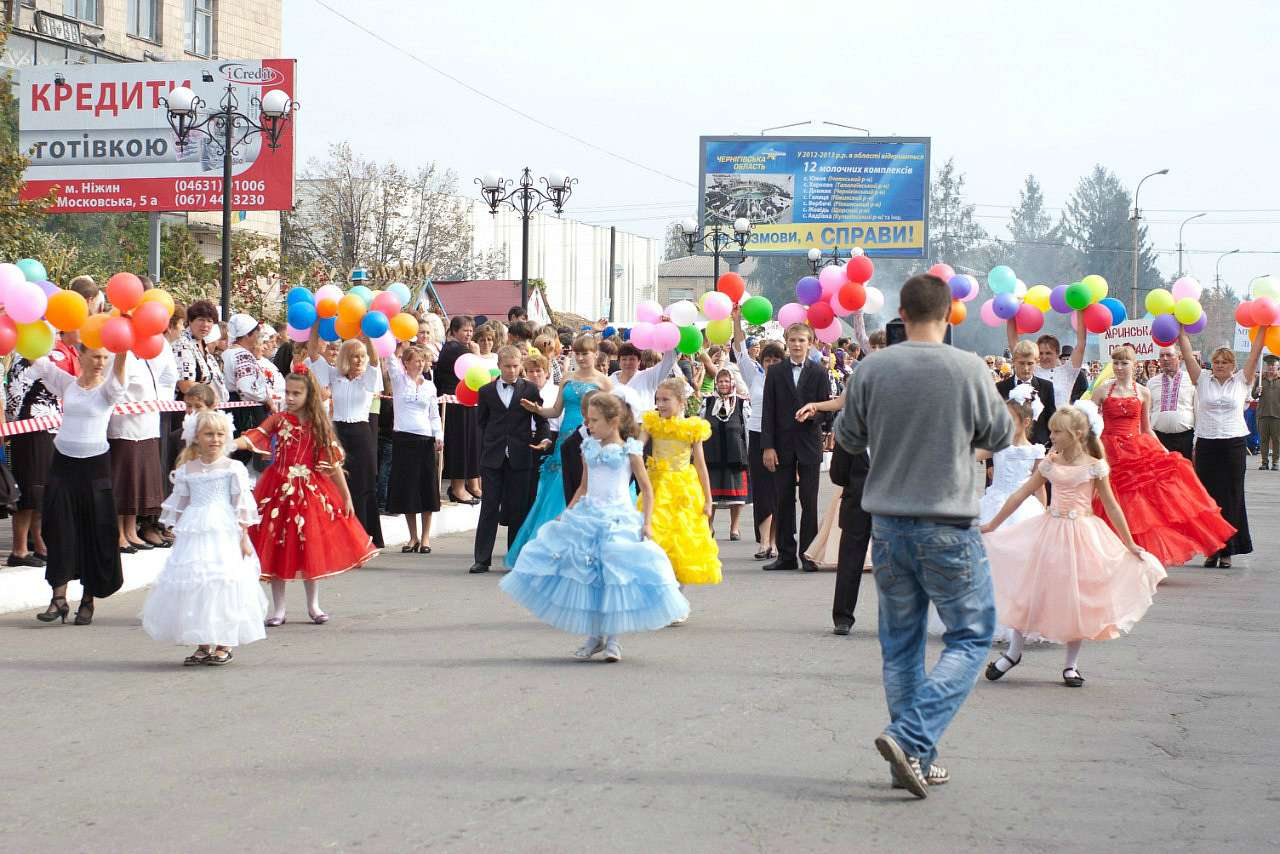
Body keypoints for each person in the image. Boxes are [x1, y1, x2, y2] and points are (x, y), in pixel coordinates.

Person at [836, 273, 1012, 799]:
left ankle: (912, 761)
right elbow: (1001, 433)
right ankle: (910, 737)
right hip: (947, 523)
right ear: (948, 313)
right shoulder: (968, 368)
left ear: (902, 314)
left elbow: (847, 437)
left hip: (888, 524)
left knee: (901, 645)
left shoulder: (871, 368)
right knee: (972, 635)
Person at [981, 403, 1166, 687]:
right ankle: (1013, 653)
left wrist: (1129, 543)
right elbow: (1020, 494)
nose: (1051, 436)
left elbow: (1111, 505)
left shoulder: (1094, 466)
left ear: (1077, 434)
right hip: (1049, 531)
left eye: (1057, 432)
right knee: (1030, 590)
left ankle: (1071, 665)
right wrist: (993, 524)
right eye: (1051, 431)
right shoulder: (1050, 463)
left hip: (1081, 534)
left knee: (1076, 597)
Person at [499, 393, 689, 663]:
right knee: (588, 577)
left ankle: (613, 640)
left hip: (618, 519)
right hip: (589, 516)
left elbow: (647, 490)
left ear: (613, 422)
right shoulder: (588, 447)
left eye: (595, 421)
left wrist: (646, 522)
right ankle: (594, 636)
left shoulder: (630, 451)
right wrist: (567, 512)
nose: (589, 425)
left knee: (614, 577)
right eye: (588, 420)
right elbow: (584, 487)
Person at [235, 367, 376, 625]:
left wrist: (346, 496)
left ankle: (314, 605)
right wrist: (230, 443)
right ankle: (279, 609)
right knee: (277, 546)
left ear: (308, 395)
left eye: (296, 393)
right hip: (277, 490)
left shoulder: (319, 425)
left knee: (310, 546)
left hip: (310, 492)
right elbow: (257, 435)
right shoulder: (278, 419)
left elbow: (333, 465)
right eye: (287, 392)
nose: (289, 398)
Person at [141, 410, 268, 666]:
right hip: (195, 531)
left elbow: (241, 504)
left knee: (222, 583)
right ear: (196, 437)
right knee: (196, 585)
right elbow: (180, 504)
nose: (215, 439)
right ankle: (202, 641)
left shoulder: (233, 468)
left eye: (220, 434)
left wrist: (244, 537)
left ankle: (224, 641)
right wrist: (177, 532)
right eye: (209, 434)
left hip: (224, 531)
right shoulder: (187, 470)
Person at [1093, 346, 1233, 566]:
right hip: (1108, 449)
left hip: (1135, 448)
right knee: (1110, 498)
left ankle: (1139, 556)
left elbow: (1146, 428)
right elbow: (1090, 423)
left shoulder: (1143, 392)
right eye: (1116, 363)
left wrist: (1163, 451)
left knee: (1138, 504)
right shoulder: (1102, 390)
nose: (1119, 367)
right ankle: (1111, 553)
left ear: (1134, 365)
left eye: (1124, 363)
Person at [33, 346, 129, 626]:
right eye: (95, 356)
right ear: (80, 356)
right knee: (59, 527)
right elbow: (40, 362)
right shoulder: (68, 384)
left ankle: (88, 599)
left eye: (105, 357)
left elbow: (118, 378)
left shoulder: (107, 389)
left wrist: (122, 352)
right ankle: (58, 598)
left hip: (95, 466)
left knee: (95, 530)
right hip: (63, 464)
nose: (100, 362)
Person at [507, 335, 611, 566]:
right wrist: (537, 409)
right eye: (578, 353)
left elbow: (612, 413)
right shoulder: (567, 378)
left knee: (583, 486)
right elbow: (555, 411)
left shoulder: (604, 382)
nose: (581, 358)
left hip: (591, 437)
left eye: (586, 353)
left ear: (595, 354)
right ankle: (544, 552)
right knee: (555, 491)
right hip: (565, 439)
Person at [1178, 328, 1266, 567]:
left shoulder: (1242, 380)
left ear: (1232, 365)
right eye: (1216, 362)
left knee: (1231, 496)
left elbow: (1255, 352)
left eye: (1224, 362)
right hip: (1207, 444)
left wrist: (1263, 328)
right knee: (1208, 498)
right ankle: (1211, 549)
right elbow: (1187, 353)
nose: (1219, 365)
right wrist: (1181, 330)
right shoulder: (1202, 379)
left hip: (1233, 444)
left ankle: (1228, 550)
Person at [641, 379, 720, 620]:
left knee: (681, 544)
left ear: (681, 402)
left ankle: (676, 599)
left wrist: (708, 500)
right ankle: (661, 596)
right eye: (658, 400)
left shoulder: (691, 428)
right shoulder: (651, 423)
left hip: (684, 491)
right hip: (656, 489)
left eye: (666, 400)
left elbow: (701, 466)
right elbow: (635, 449)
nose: (660, 404)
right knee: (656, 541)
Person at [797, 391, 873, 635]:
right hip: (858, 504)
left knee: (889, 565)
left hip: (886, 506)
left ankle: (891, 619)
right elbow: (838, 473)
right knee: (851, 562)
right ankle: (843, 617)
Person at [469, 346, 549, 574]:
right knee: (489, 507)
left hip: (520, 455)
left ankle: (514, 558)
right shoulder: (486, 391)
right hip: (493, 457)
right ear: (499, 367)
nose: (512, 371)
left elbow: (541, 419)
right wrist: (488, 446)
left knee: (518, 509)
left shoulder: (530, 389)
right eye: (507, 366)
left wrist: (544, 439)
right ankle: (482, 559)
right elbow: (482, 422)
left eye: (515, 366)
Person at [761, 322, 830, 572]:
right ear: (786, 342)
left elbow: (827, 411)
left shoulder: (820, 372)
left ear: (810, 343)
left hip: (809, 444)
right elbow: (768, 411)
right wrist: (768, 446)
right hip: (782, 445)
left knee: (809, 501)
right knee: (783, 500)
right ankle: (786, 555)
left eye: (802, 340)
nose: (797, 344)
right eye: (793, 340)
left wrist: (813, 414)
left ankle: (808, 555)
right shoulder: (775, 372)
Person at [305, 335, 384, 549]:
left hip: (361, 432)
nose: (359, 360)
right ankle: (339, 539)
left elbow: (375, 361)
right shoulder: (334, 374)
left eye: (361, 356)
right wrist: (317, 322)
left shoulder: (367, 378)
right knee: (337, 485)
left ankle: (364, 538)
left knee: (363, 484)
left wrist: (368, 337)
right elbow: (313, 353)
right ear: (345, 358)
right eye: (354, 356)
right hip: (338, 433)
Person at [732, 310, 783, 559]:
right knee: (762, 490)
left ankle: (776, 541)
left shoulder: (789, 379)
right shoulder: (754, 376)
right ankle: (764, 542)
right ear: (761, 361)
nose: (771, 363)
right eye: (767, 359)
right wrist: (736, 320)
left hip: (782, 438)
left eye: (775, 360)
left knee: (779, 491)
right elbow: (740, 350)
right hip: (758, 435)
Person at [385, 345, 443, 554]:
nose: (419, 364)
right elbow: (390, 359)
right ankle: (413, 537)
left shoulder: (429, 386)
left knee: (426, 487)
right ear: (406, 363)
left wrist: (438, 435)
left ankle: (426, 537)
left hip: (424, 439)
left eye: (422, 360)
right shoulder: (399, 381)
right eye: (415, 360)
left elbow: (434, 414)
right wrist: (398, 344)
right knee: (408, 487)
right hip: (404, 439)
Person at [436, 315, 481, 505]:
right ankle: (457, 488)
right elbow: (478, 370)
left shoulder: (461, 348)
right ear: (454, 331)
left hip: (466, 403)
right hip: (455, 405)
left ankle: (470, 485)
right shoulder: (454, 348)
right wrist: (477, 353)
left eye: (471, 330)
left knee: (469, 444)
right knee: (459, 445)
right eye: (465, 330)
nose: (469, 334)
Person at [703, 369, 750, 540]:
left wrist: (749, 452)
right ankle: (709, 527)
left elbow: (747, 429)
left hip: (735, 454)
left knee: (736, 496)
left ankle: (734, 528)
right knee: (711, 495)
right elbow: (700, 427)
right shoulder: (707, 402)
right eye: (720, 381)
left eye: (726, 381)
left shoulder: (741, 403)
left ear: (732, 383)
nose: (723, 384)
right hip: (712, 453)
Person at [1007, 317, 1086, 409]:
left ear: (1057, 353)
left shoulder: (1067, 371)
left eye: (1048, 353)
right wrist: (1011, 314)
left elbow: (1081, 344)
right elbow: (1014, 344)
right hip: (1036, 418)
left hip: (1061, 417)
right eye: (1041, 353)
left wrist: (1080, 311)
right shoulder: (1031, 370)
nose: (1044, 357)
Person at [995, 340, 1056, 446]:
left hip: (1040, 447)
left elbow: (1051, 419)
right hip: (1010, 446)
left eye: (1030, 363)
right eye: (1021, 363)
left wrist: (1051, 446)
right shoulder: (1000, 387)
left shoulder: (1046, 387)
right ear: (1013, 361)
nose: (1026, 368)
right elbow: (996, 421)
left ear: (1037, 362)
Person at [1147, 345, 1197, 460]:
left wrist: (1196, 441)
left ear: (1179, 357)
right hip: (1159, 439)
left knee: (1184, 471)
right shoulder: (1151, 383)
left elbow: (1198, 411)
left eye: (1169, 355)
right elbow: (1148, 412)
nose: (1165, 359)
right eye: (1161, 356)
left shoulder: (1191, 380)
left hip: (1185, 439)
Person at [611, 341, 678, 414]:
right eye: (624, 359)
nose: (628, 362)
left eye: (632, 359)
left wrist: (669, 340)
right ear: (619, 361)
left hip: (645, 421)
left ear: (639, 361)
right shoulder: (610, 381)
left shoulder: (649, 376)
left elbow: (669, 361)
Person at [1253, 357, 1280, 470]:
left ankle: (1275, 462)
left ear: (1277, 366)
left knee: (1276, 440)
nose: (1271, 367)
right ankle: (1264, 462)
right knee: (1263, 440)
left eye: (1273, 365)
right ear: (1266, 366)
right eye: (1269, 365)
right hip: (1262, 414)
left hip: (1277, 415)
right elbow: (1253, 395)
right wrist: (1257, 391)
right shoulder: (1260, 379)